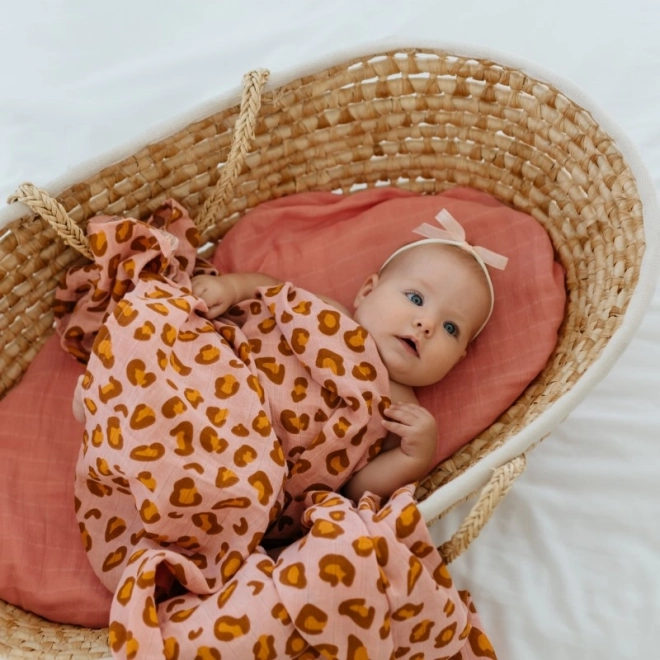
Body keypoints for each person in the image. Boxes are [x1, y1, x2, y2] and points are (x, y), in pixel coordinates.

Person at [190, 209, 508, 502]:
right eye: (415, 297)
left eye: (451, 328)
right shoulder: (331, 314)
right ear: (367, 291)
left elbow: (355, 489)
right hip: (212, 387)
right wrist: (231, 288)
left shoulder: (402, 413)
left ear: (458, 359)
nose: (427, 324)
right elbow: (272, 292)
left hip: (252, 474)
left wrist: (413, 458)